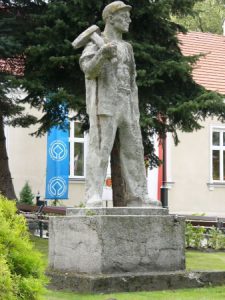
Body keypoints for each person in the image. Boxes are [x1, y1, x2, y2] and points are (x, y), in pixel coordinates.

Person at [79, 1, 160, 207]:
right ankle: (93, 195)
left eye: (128, 16)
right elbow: (88, 70)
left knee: (134, 149)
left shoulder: (127, 48)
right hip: (105, 104)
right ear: (110, 19)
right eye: (124, 16)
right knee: (101, 148)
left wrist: (134, 108)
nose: (129, 20)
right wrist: (101, 55)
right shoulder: (95, 43)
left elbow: (132, 80)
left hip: (127, 104)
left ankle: (138, 196)